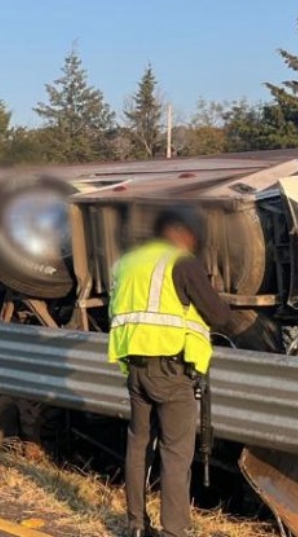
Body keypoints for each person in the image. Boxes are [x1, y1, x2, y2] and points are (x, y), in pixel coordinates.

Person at [108, 205, 232, 537]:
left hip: (134, 368)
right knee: (175, 453)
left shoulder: (128, 263)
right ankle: (174, 531)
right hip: (172, 371)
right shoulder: (181, 262)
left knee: (138, 446)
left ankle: (136, 525)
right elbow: (220, 316)